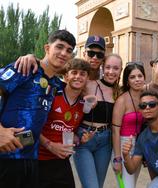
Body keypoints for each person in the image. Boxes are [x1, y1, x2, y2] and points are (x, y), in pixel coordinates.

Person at [0, 29, 76, 188]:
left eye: (69, 50)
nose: (63, 53)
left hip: (31, 158)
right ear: (47, 48)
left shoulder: (55, 84)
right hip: (6, 157)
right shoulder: (25, 68)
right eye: (59, 47)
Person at [38, 58, 91, 188]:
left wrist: (80, 137)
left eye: (82, 74)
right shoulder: (51, 94)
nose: (78, 77)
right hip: (38, 160)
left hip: (61, 161)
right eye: (74, 72)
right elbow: (31, 126)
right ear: (66, 76)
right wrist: (49, 145)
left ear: (87, 79)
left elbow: (72, 130)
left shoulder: (84, 105)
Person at [73, 53, 123, 188]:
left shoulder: (119, 93)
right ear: (102, 68)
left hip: (105, 142)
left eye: (116, 68)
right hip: (85, 138)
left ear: (120, 71)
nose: (111, 72)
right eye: (108, 67)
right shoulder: (89, 84)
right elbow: (67, 78)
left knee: (98, 185)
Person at [112, 62, 145, 188]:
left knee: (132, 183)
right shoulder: (122, 100)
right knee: (126, 186)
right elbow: (115, 131)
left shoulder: (146, 97)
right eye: (132, 77)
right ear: (127, 81)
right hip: (123, 144)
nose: (137, 80)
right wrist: (117, 159)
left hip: (139, 145)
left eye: (140, 76)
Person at [14, 35, 105, 80]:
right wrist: (31, 57)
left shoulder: (107, 74)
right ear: (84, 53)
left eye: (99, 55)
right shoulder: (74, 67)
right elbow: (50, 66)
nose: (95, 57)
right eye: (91, 53)